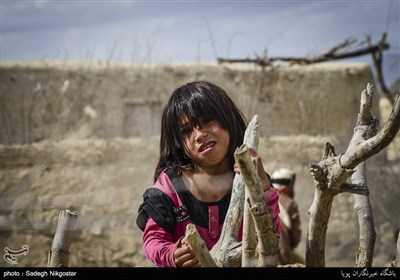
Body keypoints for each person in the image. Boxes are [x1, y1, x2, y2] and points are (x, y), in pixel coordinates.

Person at [136, 81, 281, 267]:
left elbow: (271, 236)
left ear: (227, 119)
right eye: (186, 131)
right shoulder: (168, 187)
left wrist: (262, 188)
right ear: (178, 143)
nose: (199, 135)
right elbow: (153, 240)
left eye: (206, 121)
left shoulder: (247, 176)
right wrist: (171, 254)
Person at [270, 168, 302, 265]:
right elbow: (294, 238)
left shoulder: (264, 199)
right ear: (288, 186)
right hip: (282, 256)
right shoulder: (290, 204)